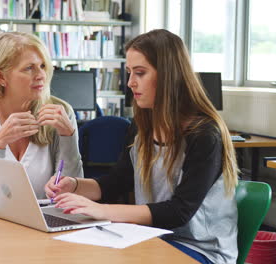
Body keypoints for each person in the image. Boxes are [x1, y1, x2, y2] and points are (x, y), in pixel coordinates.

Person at [44, 29, 239, 264]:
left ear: (169, 75)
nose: (130, 83)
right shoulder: (141, 126)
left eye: (140, 73)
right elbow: (116, 182)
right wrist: (74, 186)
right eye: (129, 73)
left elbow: (178, 212)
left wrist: (101, 210)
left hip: (200, 250)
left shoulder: (206, 134)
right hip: (153, 238)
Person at [0, 32, 83, 199]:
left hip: (39, 221)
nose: (40, 75)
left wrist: (68, 138)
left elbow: (72, 190)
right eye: (29, 68)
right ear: (1, 77)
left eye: (43, 66)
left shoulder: (61, 112)